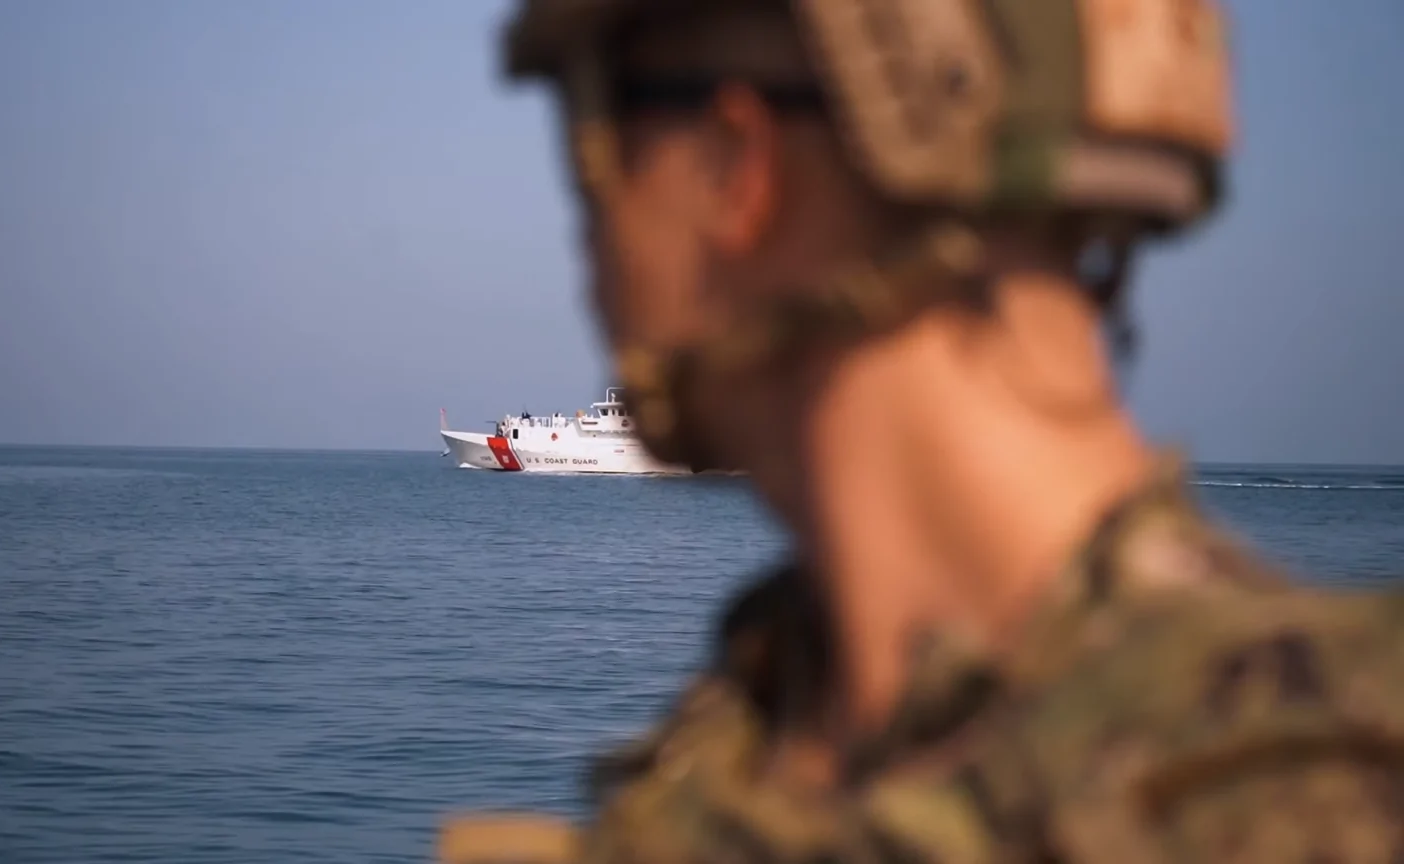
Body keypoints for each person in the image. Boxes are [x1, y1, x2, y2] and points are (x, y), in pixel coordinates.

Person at [439, 1, 1404, 862]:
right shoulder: (736, 742)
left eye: (603, 142)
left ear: (739, 165)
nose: (592, 242)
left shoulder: (1334, 799)